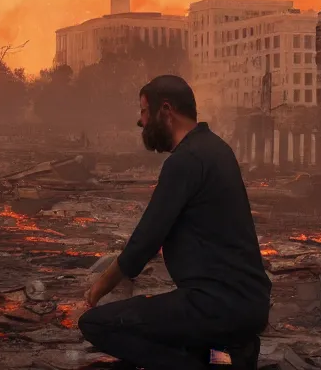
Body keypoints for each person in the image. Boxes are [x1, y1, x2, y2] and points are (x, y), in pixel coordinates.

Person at [78, 75, 271, 370]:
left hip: (214, 305)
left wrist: (98, 288)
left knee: (97, 324)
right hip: (247, 304)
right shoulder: (217, 149)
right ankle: (232, 358)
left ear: (165, 111)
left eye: (144, 111)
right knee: (177, 332)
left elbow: (145, 240)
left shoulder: (185, 160)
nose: (140, 122)